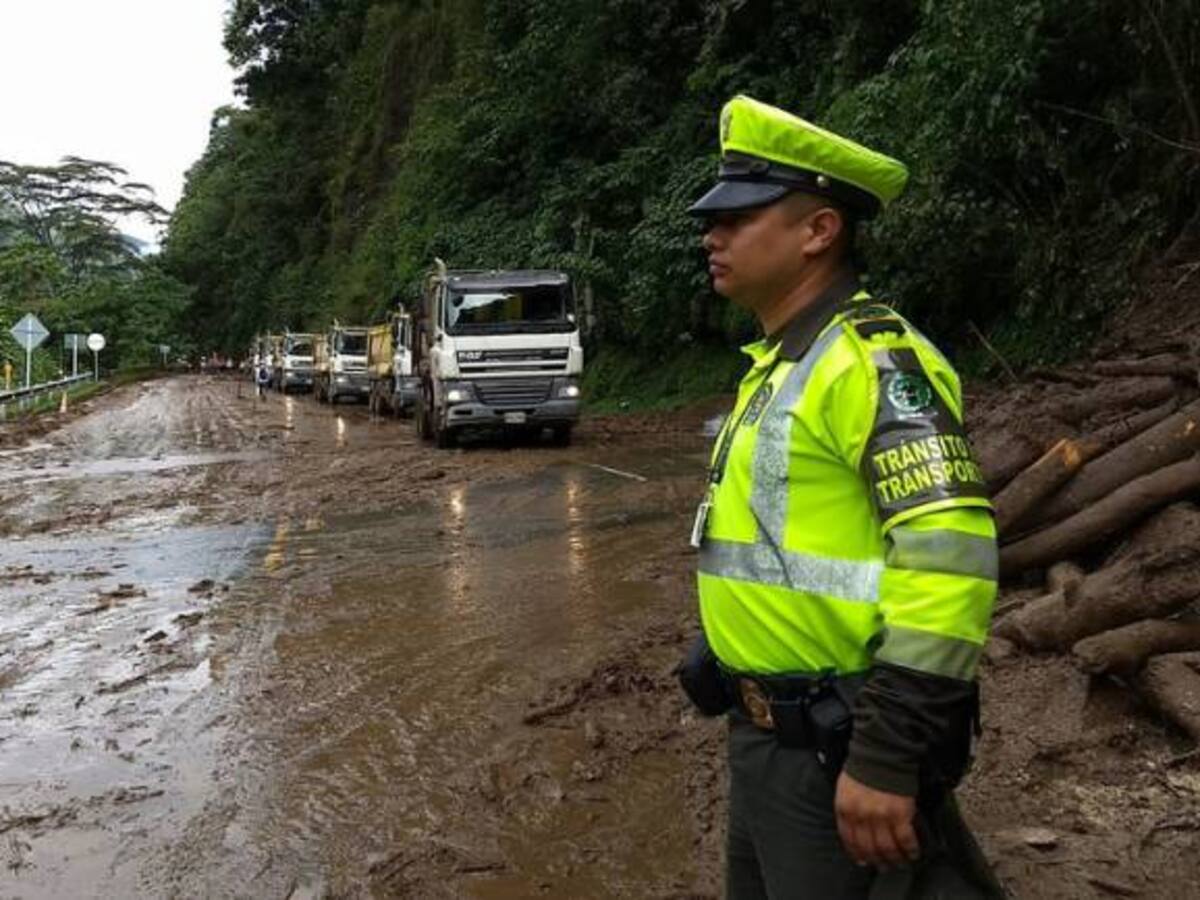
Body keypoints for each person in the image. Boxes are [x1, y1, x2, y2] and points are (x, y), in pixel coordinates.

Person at [679, 95, 1004, 898]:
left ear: (819, 231)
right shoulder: (781, 362)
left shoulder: (870, 363)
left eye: (740, 217)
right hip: (763, 739)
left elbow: (950, 561)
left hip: (837, 746)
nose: (710, 236)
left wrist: (888, 756)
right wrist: (726, 649)